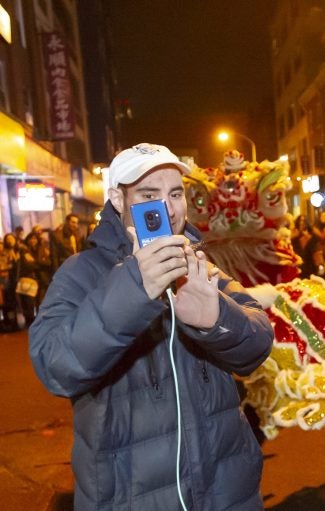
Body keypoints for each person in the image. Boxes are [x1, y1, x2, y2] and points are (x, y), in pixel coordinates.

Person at [29, 143, 275, 510]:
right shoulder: (81, 272)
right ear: (117, 199)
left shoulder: (201, 265)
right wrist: (133, 290)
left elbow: (258, 343)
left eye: (175, 193)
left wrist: (216, 320)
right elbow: (55, 366)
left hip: (225, 490)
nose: (168, 208)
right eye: (149, 194)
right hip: (131, 495)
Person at [17, 232, 46, 327]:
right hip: (29, 279)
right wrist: (40, 263)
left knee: (39, 302)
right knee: (28, 302)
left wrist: (37, 262)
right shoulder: (25, 251)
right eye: (31, 238)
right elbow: (28, 265)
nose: (33, 240)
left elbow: (47, 263)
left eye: (35, 239)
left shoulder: (40, 249)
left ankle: (38, 321)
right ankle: (29, 321)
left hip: (39, 280)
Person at [0, 233, 20, 331]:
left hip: (12, 281)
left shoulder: (17, 251)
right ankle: (7, 322)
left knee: (12, 303)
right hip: (4, 282)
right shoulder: (4, 253)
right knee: (5, 304)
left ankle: (13, 322)